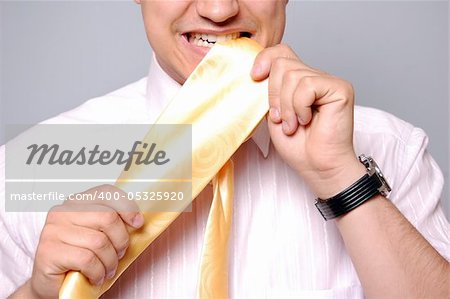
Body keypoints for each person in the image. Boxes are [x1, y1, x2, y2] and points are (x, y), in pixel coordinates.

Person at [3, 0, 449, 298]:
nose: (220, 10)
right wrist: (39, 295)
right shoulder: (34, 160)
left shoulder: (391, 149)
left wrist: (342, 178)